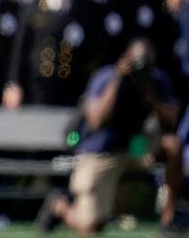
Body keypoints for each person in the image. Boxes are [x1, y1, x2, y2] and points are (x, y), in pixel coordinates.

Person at [37, 39, 183, 235]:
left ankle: (168, 220)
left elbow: (172, 123)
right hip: (102, 149)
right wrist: (117, 80)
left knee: (172, 146)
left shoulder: (155, 79)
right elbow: (96, 121)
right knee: (90, 228)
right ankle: (59, 206)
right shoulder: (105, 77)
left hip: (135, 145)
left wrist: (150, 96)